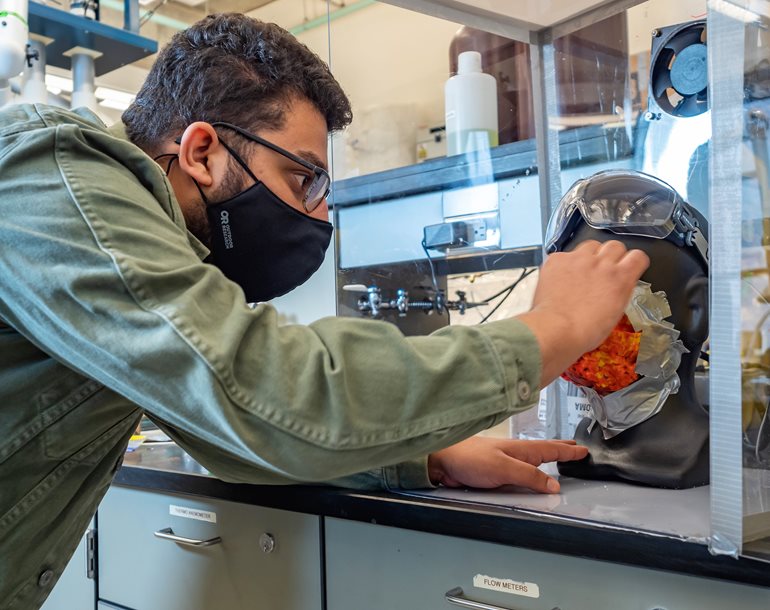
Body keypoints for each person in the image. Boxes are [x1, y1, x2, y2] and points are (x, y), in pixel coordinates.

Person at [0, 13, 649, 609]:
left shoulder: (124, 247)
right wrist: (548, 331)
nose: (319, 214)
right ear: (201, 152)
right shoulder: (60, 176)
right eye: (302, 179)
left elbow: (224, 432)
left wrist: (419, 457)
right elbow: (255, 388)